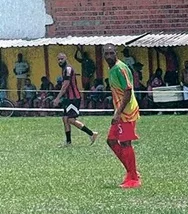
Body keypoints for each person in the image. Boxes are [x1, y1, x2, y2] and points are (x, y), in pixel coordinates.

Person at [103, 43, 141, 188]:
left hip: (127, 112)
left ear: (116, 52)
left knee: (125, 142)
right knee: (111, 141)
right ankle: (132, 171)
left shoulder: (121, 68)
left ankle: (133, 179)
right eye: (106, 54)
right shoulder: (112, 68)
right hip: (120, 112)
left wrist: (118, 112)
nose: (109, 56)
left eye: (111, 53)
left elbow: (128, 91)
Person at [52, 53, 98, 146]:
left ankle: (92, 133)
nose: (60, 61)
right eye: (58, 59)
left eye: (61, 59)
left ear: (66, 59)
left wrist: (57, 98)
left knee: (71, 119)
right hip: (68, 98)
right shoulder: (64, 69)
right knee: (65, 118)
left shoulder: (68, 69)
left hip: (73, 98)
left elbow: (65, 85)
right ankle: (68, 142)